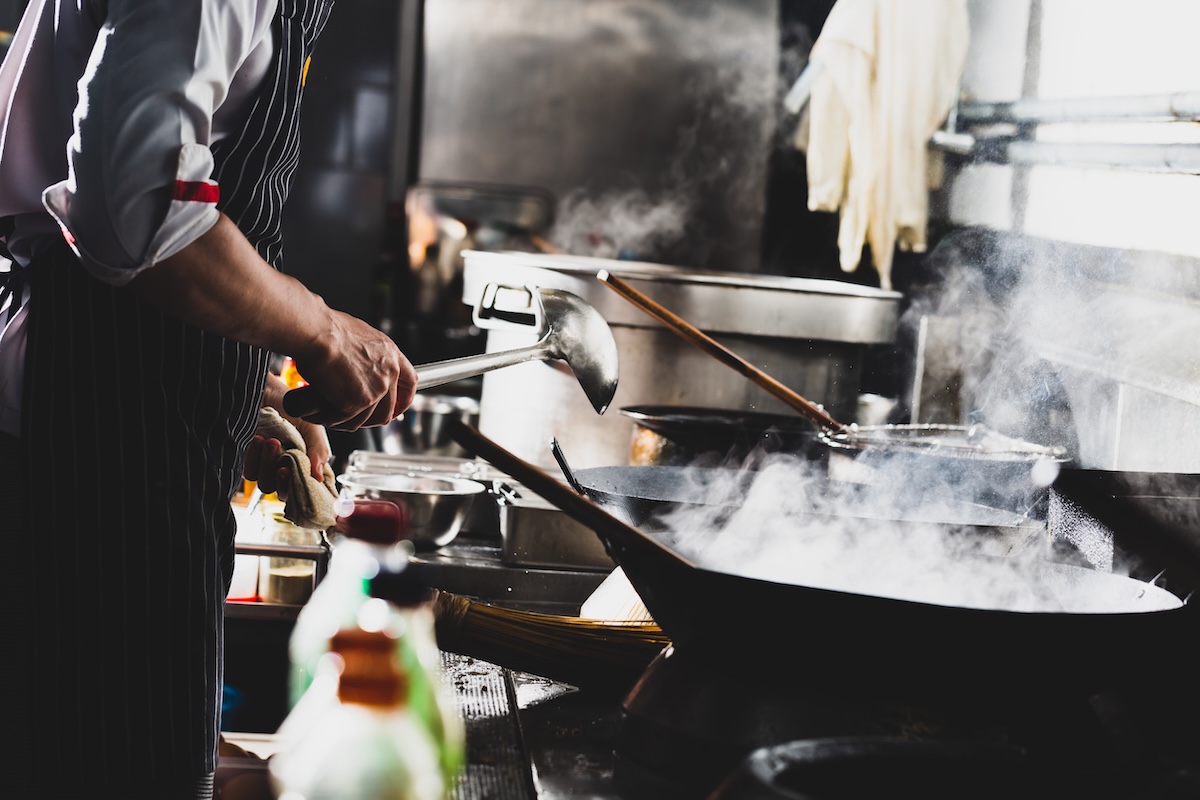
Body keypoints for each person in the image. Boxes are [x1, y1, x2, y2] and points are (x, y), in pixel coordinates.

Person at [0, 1, 419, 797]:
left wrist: (237, 375)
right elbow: (132, 208)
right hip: (82, 454)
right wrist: (321, 333)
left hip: (135, 432)